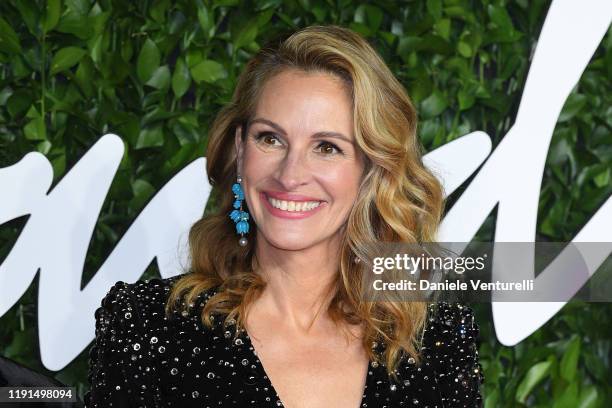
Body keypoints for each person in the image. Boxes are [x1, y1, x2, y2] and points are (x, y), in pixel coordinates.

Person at [85, 25, 484, 407]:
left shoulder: (435, 345)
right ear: (240, 150)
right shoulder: (148, 325)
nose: (290, 175)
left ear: (371, 169)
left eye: (327, 147)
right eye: (270, 139)